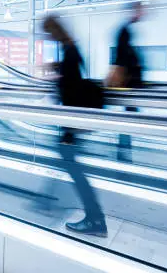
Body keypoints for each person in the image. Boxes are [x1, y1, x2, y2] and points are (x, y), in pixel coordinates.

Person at [42, 15, 107, 237]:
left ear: (54, 31)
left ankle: (96, 218)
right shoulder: (70, 48)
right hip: (70, 120)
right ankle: (46, 200)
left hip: (71, 121)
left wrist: (70, 129)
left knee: (75, 169)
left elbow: (71, 87)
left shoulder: (69, 50)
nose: (47, 36)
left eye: (48, 32)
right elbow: (73, 79)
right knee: (68, 164)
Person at [110, 1, 145, 162]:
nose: (142, 13)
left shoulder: (125, 30)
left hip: (128, 80)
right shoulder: (124, 30)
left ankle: (124, 145)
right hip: (128, 81)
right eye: (139, 10)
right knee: (129, 113)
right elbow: (122, 56)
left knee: (129, 112)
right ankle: (124, 148)